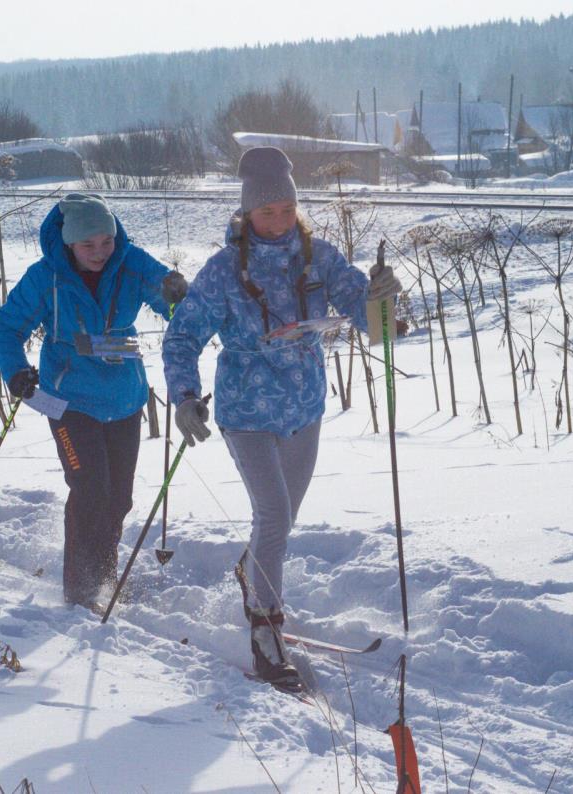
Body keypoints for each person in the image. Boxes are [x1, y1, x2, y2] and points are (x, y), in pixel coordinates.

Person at [161, 147, 401, 690]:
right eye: (266, 211)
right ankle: (265, 631)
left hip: (303, 407)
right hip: (245, 410)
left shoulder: (319, 258)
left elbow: (373, 323)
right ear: (247, 214)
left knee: (283, 519)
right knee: (272, 516)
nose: (277, 220)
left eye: (286, 210)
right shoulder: (224, 270)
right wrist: (183, 396)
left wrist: (381, 302)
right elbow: (183, 336)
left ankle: (252, 571)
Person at [0, 193, 187, 609]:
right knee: (90, 488)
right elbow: (6, 328)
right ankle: (80, 592)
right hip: (68, 400)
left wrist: (177, 294)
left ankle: (103, 576)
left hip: (125, 396)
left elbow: (175, 305)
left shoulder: (132, 262)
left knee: (119, 497)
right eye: (88, 245)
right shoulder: (46, 277)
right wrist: (16, 371)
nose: (100, 252)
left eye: (106, 241)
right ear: (68, 244)